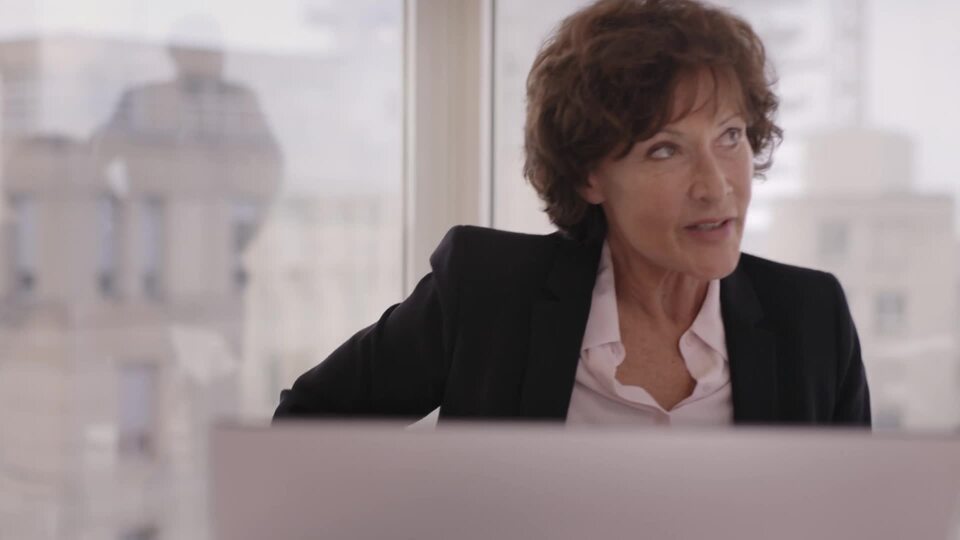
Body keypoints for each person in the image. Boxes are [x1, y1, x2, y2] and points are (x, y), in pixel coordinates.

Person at [274, 0, 870, 427]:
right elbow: (304, 429)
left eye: (730, 136)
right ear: (589, 175)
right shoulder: (486, 292)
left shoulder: (812, 319)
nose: (716, 187)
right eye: (665, 149)